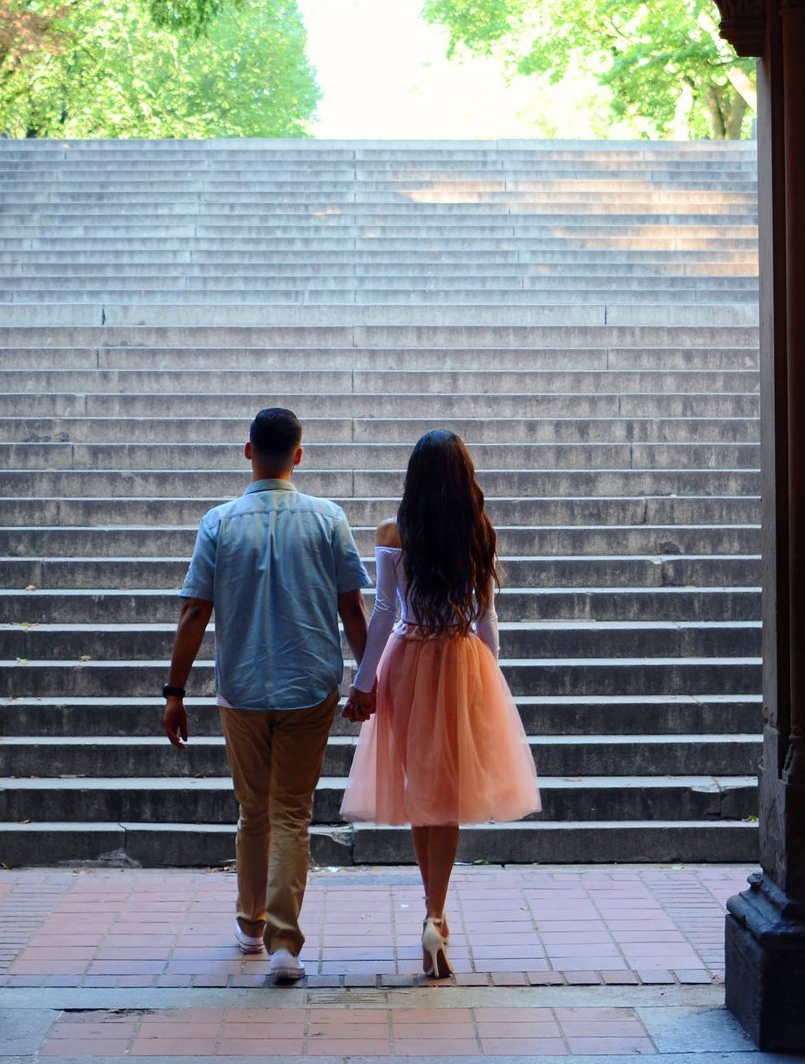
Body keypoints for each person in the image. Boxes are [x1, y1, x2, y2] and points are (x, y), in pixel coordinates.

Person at [163, 406, 370, 984]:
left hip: (243, 689)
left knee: (254, 808)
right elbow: (352, 607)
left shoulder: (219, 523)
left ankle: (250, 923)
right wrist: (366, 678)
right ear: (298, 455)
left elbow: (194, 611)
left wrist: (174, 691)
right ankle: (284, 945)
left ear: (248, 451)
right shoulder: (328, 519)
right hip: (310, 686)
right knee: (291, 812)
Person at [342, 429, 541, 978]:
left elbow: (382, 614)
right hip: (460, 659)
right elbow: (486, 617)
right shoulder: (479, 532)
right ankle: (436, 914)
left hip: (408, 659)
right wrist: (490, 679)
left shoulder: (394, 532)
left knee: (417, 786)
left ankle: (430, 911)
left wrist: (363, 684)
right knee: (447, 793)